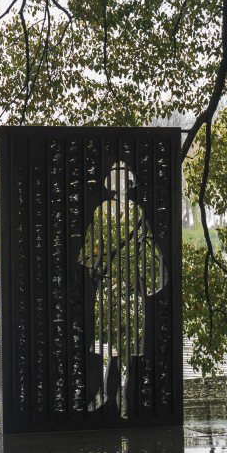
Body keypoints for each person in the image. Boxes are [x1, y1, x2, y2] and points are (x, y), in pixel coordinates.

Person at [79, 165, 166, 416]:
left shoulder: (103, 212)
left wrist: (98, 267)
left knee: (110, 343)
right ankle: (120, 394)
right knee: (124, 344)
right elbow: (149, 252)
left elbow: (88, 254)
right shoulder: (134, 213)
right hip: (128, 286)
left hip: (110, 284)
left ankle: (109, 392)